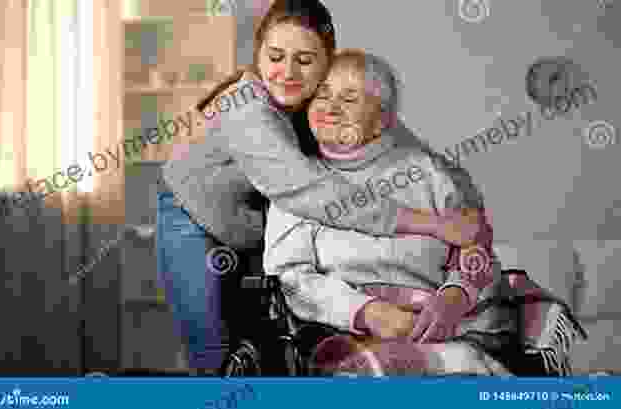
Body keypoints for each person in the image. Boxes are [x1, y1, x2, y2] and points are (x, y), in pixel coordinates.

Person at [157, 0, 488, 375]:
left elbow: (404, 142)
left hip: (253, 221)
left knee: (261, 350)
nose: (286, 72)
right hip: (192, 217)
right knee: (215, 355)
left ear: (326, 61)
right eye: (276, 56)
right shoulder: (246, 108)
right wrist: (432, 224)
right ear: (259, 54)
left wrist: (467, 209)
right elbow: (308, 192)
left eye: (305, 59)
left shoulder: (323, 91)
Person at [263, 49, 518, 376]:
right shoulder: (297, 182)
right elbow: (292, 277)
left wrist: (455, 295)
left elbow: (474, 245)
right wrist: (369, 313)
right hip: (346, 329)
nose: (330, 107)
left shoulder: (427, 171)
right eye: (322, 95)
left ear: (382, 118)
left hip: (441, 320)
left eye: (350, 98)